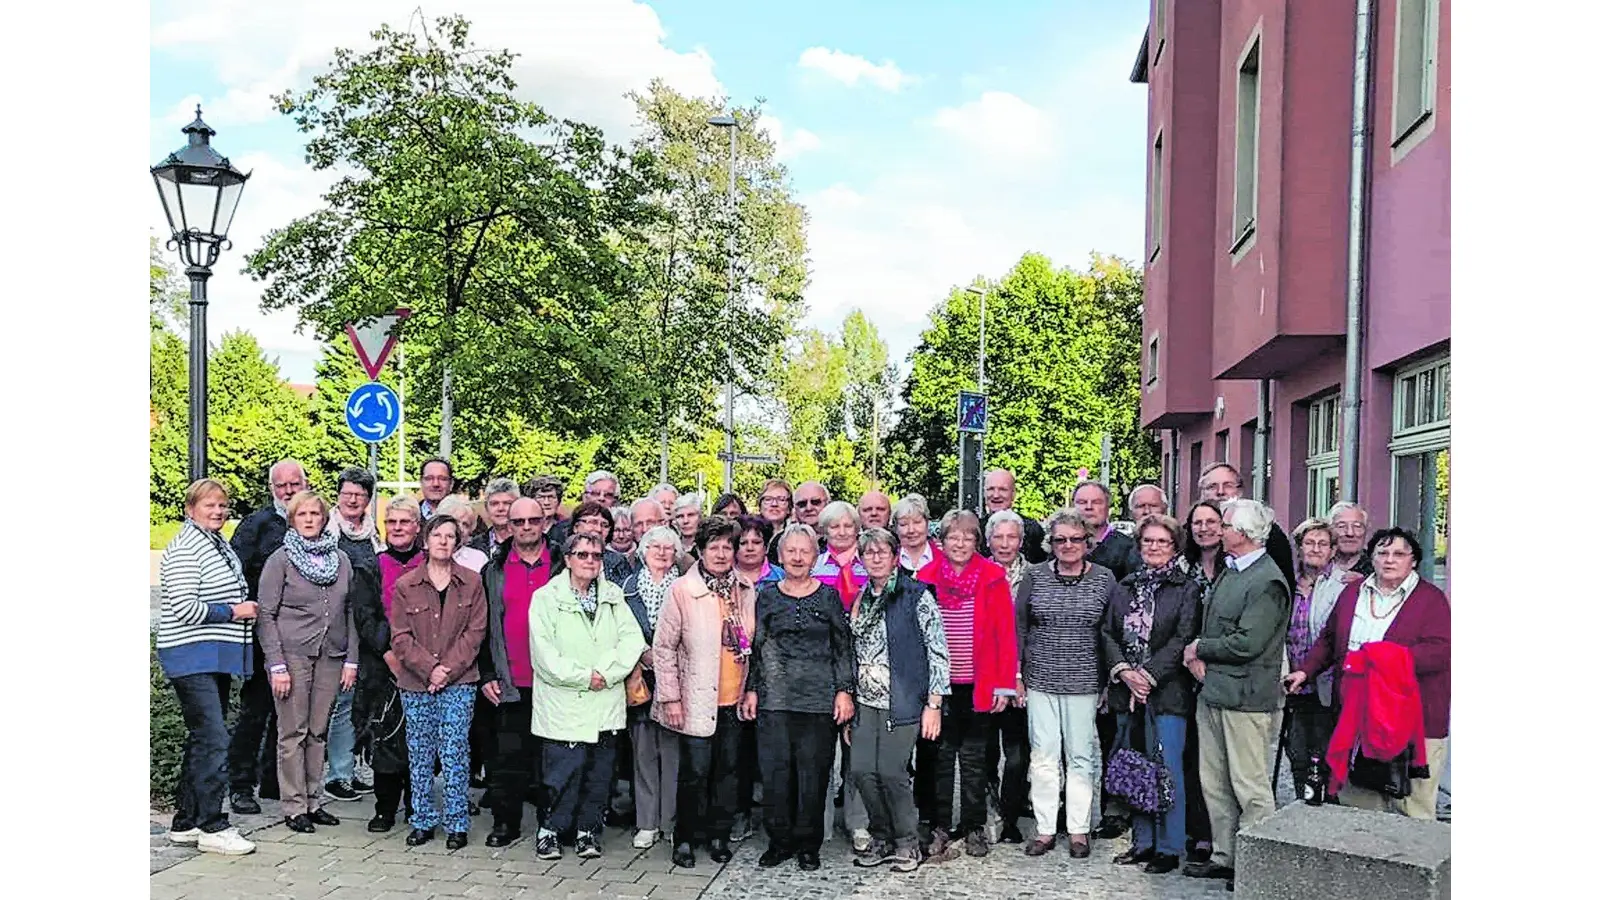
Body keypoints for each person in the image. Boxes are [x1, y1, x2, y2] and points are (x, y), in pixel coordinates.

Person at [1286, 527, 1451, 820]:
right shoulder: (1353, 592)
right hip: (1357, 713)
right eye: (1382, 553)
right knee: (1359, 802)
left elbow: (1440, 651)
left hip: (1413, 719)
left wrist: (1379, 659)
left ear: (1413, 561)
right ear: (1371, 558)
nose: (1390, 560)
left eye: (1399, 554)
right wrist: (1305, 672)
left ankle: (1410, 864)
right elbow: (1329, 638)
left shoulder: (1430, 599)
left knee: (1411, 807)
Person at [1182, 499, 1291, 891]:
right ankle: (1224, 856)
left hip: (1246, 697)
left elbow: (1248, 642)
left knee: (1250, 785)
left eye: (1225, 524)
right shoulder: (1233, 570)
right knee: (1215, 781)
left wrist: (1199, 648)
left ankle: (1256, 862)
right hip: (1214, 691)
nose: (1218, 530)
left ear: (1243, 533)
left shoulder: (1267, 580)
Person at [742, 524, 855, 872]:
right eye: (791, 551)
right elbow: (756, 647)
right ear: (780, 555)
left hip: (818, 700)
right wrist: (751, 689)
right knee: (776, 776)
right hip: (774, 699)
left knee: (813, 775)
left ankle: (808, 844)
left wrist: (844, 691)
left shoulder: (829, 596)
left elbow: (843, 647)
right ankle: (779, 841)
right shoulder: (768, 596)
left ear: (814, 556)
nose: (797, 557)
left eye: (804, 551)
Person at [529, 532, 647, 861]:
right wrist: (584, 676)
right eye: (582, 555)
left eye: (596, 555)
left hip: (604, 698)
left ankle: (588, 831)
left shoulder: (612, 596)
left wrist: (607, 674)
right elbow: (544, 654)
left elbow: (631, 640)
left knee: (599, 773)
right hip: (564, 700)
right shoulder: (546, 598)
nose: (590, 561)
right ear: (567, 559)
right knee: (561, 773)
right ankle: (550, 830)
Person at [158, 479, 259, 856]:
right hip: (191, 654)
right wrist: (235, 611)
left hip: (211, 654)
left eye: (222, 505)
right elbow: (185, 608)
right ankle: (213, 825)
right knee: (215, 737)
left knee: (201, 738)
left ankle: (186, 821)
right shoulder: (187, 548)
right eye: (208, 505)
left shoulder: (214, 543)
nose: (217, 511)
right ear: (190, 509)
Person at [651, 516, 757, 868]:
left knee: (727, 773)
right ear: (700, 550)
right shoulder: (683, 590)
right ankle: (685, 838)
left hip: (732, 699)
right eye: (714, 546)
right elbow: (664, 648)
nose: (723, 553)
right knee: (695, 774)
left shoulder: (744, 589)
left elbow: (751, 645)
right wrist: (671, 698)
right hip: (695, 697)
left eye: (729, 546)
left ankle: (718, 835)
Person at [1100, 514, 1201, 874]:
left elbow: (1183, 637)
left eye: (1162, 542)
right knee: (1135, 768)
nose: (1154, 548)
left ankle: (1170, 846)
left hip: (1167, 693)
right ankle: (1143, 842)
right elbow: (1107, 633)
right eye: (1148, 541)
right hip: (1127, 692)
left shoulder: (1186, 588)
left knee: (1166, 769)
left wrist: (1148, 674)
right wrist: (1125, 673)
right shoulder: (1125, 585)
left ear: (1174, 547)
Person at [1013, 508, 1116, 859]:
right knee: (1043, 756)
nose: (1068, 545)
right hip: (1040, 676)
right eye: (1060, 539)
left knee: (1081, 757)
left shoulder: (1105, 579)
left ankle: (1078, 829)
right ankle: (1044, 828)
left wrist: (1108, 680)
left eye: (1075, 538)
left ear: (1088, 542)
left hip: (1086, 678)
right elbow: (1021, 626)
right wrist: (1017, 674)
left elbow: (1110, 631)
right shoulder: (1035, 576)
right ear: (1050, 543)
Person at [257, 490, 361, 833]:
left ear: (324, 517)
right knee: (293, 732)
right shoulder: (280, 560)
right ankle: (293, 806)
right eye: (302, 514)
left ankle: (314, 800)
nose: (309, 520)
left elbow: (349, 611)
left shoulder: (340, 560)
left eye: (315, 514)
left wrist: (352, 660)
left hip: (332, 656)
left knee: (318, 731)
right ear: (292, 519)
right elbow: (266, 615)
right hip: (293, 655)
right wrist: (276, 664)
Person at [847, 528, 949, 873]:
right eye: (869, 553)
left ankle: (907, 841)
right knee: (862, 771)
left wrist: (933, 705)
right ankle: (882, 835)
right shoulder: (862, 597)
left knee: (892, 772)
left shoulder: (916, 594)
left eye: (882, 552)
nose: (875, 558)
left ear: (895, 557)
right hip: (865, 701)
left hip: (903, 699)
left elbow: (938, 652)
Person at [920, 509, 1017, 861]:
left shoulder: (993, 576)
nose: (960, 543)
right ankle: (940, 824)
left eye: (967, 537)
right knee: (941, 759)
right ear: (941, 542)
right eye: (953, 537)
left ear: (977, 542)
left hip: (980, 683)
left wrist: (1005, 686)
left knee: (975, 760)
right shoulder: (926, 577)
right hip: (940, 687)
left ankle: (974, 824)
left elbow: (1006, 636)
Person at [388, 515, 489, 850]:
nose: (444, 541)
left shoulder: (473, 583)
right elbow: (400, 637)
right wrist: (429, 669)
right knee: (419, 752)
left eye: (450, 536)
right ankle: (422, 820)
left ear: (458, 543)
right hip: (416, 682)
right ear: (426, 540)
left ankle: (457, 822)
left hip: (459, 681)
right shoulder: (406, 584)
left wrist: (446, 670)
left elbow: (475, 634)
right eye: (438, 535)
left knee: (455, 750)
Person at [477, 497, 560, 847]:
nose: (526, 527)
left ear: (545, 522)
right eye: (519, 522)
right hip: (509, 680)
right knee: (507, 758)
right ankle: (505, 823)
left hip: (556, 682)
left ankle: (551, 825)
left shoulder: (562, 565)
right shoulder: (493, 570)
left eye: (533, 520)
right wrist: (486, 674)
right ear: (508, 527)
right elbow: (480, 627)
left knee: (553, 760)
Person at [227, 459, 304, 815]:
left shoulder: (314, 523)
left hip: (301, 635)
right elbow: (235, 573)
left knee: (288, 711)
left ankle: (275, 782)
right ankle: (240, 785)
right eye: (281, 485)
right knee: (256, 709)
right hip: (263, 635)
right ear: (271, 487)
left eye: (294, 484)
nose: (288, 491)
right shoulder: (256, 525)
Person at [353, 496, 426, 833]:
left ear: (417, 526)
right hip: (382, 666)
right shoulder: (370, 565)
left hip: (423, 663)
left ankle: (417, 805)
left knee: (420, 737)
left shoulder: (430, 562)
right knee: (385, 736)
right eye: (392, 522)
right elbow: (366, 615)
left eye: (404, 522)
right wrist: (390, 655)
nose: (397, 528)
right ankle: (384, 809)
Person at [812, 500, 872, 849]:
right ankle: (818, 824)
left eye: (848, 525)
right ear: (824, 531)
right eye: (834, 527)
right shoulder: (815, 566)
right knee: (820, 752)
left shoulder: (872, 565)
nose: (842, 532)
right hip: (824, 667)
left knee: (857, 753)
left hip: (864, 667)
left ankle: (858, 822)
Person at [621, 525, 684, 849]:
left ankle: (670, 821)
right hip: (640, 680)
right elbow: (617, 630)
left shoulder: (686, 587)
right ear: (643, 551)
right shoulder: (626, 587)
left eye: (668, 548)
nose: (661, 552)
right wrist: (641, 653)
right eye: (654, 546)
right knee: (643, 752)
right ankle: (646, 822)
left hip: (677, 680)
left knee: (673, 753)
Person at [324, 467, 381, 802]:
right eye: (347, 493)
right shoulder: (327, 532)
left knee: (360, 703)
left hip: (366, 628)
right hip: (337, 629)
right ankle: (336, 774)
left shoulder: (374, 534)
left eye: (359, 495)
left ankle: (353, 769)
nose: (352, 499)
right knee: (339, 703)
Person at [1281, 518, 1343, 802]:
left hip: (1326, 684)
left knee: (1326, 753)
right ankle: (1301, 808)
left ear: (1332, 550)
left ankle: (1327, 814)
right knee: (1297, 754)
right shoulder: (1287, 584)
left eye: (1322, 544)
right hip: (1292, 683)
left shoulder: (1342, 585)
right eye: (1309, 543)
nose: (1315, 549)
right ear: (1299, 548)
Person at [1178, 499, 1224, 862]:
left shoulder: (1235, 567)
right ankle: (1198, 833)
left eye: (1211, 521)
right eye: (1197, 522)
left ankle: (1223, 833)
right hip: (1183, 673)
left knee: (1222, 760)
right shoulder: (1183, 566)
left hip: (1223, 671)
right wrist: (1189, 655)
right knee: (1191, 756)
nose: (1204, 528)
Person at [982, 509, 1031, 845]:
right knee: (984, 752)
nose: (1004, 543)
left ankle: (1011, 816)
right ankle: (989, 812)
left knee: (1017, 755)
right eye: (998, 537)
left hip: (1023, 677)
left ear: (1022, 540)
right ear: (988, 541)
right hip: (985, 675)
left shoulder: (1036, 576)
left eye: (1011, 537)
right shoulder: (977, 573)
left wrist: (1019, 673)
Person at [1196, 463, 1294, 584]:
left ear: (1240, 491)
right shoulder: (1190, 532)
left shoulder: (1266, 531)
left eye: (1228, 486)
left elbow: (1282, 582)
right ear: (1201, 493)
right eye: (1212, 486)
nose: (1220, 492)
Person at [977, 469, 1047, 563]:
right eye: (991, 489)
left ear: (1013, 494)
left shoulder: (1032, 529)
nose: (996, 495)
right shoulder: (976, 529)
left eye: (1003, 489)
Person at [1074, 480, 1138, 582]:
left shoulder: (1128, 548)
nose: (1089, 507)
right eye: (1082, 502)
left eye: (1096, 502)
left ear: (1108, 507)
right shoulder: (1060, 546)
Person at [892, 494, 943, 578]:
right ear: (896, 528)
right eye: (904, 524)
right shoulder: (888, 560)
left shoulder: (944, 558)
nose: (911, 530)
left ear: (927, 523)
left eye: (917, 522)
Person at [470, 478, 522, 558]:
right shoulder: (473, 547)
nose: (501, 508)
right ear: (486, 508)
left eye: (507, 503)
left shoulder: (533, 542)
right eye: (494, 504)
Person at [436, 497, 490, 572]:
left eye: (465, 525)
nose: (460, 528)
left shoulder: (479, 559)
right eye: (455, 521)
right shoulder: (427, 555)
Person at [1327, 501, 1376, 578]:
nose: (1350, 533)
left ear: (1366, 530)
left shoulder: (1376, 568)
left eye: (1357, 526)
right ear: (1329, 530)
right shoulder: (1321, 565)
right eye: (1341, 526)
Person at [734, 515, 781, 587]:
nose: (750, 548)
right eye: (743, 543)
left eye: (756, 542)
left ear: (766, 547)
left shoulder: (780, 576)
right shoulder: (724, 576)